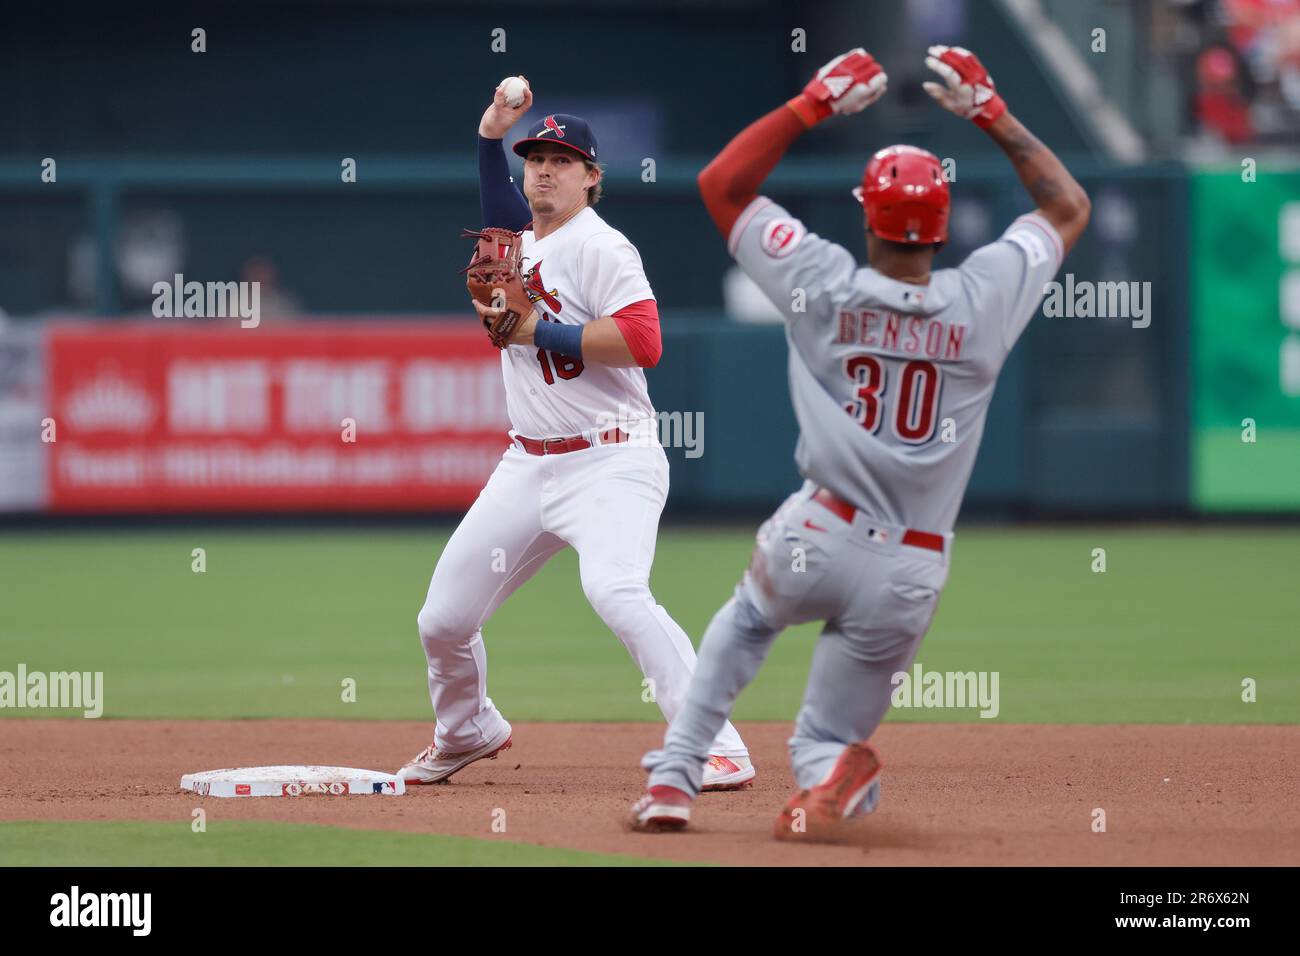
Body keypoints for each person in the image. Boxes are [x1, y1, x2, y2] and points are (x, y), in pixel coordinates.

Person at [629, 46, 1090, 838]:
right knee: (827, 734)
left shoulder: (823, 281)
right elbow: (1067, 208)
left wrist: (812, 104)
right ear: (943, 225)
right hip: (914, 565)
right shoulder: (985, 298)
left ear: (866, 215)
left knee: (745, 622)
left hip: (820, 530)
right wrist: (992, 115)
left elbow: (722, 186)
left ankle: (675, 779)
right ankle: (832, 768)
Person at [397, 80, 754, 791]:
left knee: (617, 591)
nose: (544, 170)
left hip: (612, 459)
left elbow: (645, 341)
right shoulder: (523, 239)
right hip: (527, 466)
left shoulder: (603, 247)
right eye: (535, 159)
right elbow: (500, 211)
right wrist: (488, 136)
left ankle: (714, 743)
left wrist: (537, 328)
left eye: (561, 160)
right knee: (442, 620)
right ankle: (468, 730)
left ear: (592, 176)